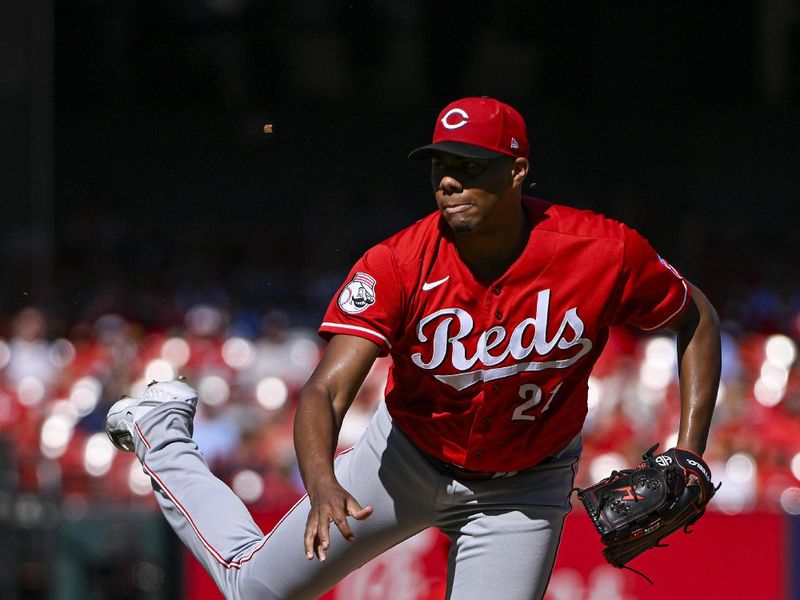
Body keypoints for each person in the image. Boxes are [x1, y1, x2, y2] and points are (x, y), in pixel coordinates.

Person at [106, 97, 721, 600]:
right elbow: (325, 389)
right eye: (438, 165)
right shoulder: (397, 262)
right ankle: (161, 431)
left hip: (522, 487)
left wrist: (689, 452)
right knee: (254, 591)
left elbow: (695, 318)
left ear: (517, 169)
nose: (449, 179)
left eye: (470, 164)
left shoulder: (601, 250)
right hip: (403, 462)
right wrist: (321, 483)